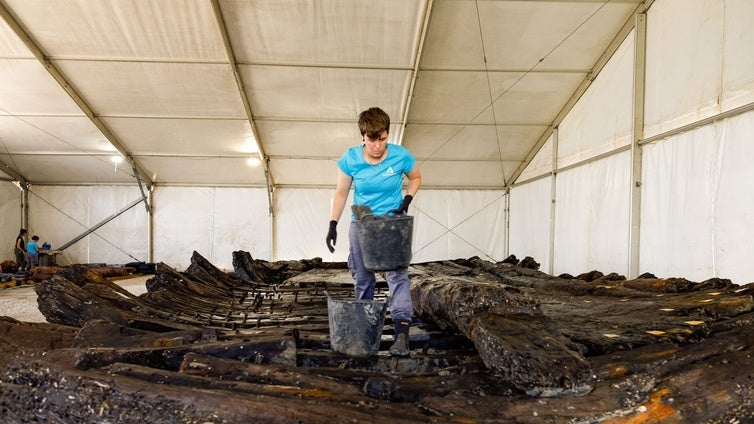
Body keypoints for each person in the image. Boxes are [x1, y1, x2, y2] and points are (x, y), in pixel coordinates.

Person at [326, 107, 422, 357]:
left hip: (391, 225)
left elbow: (416, 177)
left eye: (382, 139)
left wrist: (407, 200)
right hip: (362, 224)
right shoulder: (350, 159)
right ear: (363, 137)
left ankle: (402, 335)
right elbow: (341, 192)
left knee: (397, 277)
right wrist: (333, 224)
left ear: (387, 135)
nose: (377, 146)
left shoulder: (400, 156)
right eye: (372, 140)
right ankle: (366, 329)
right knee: (363, 277)